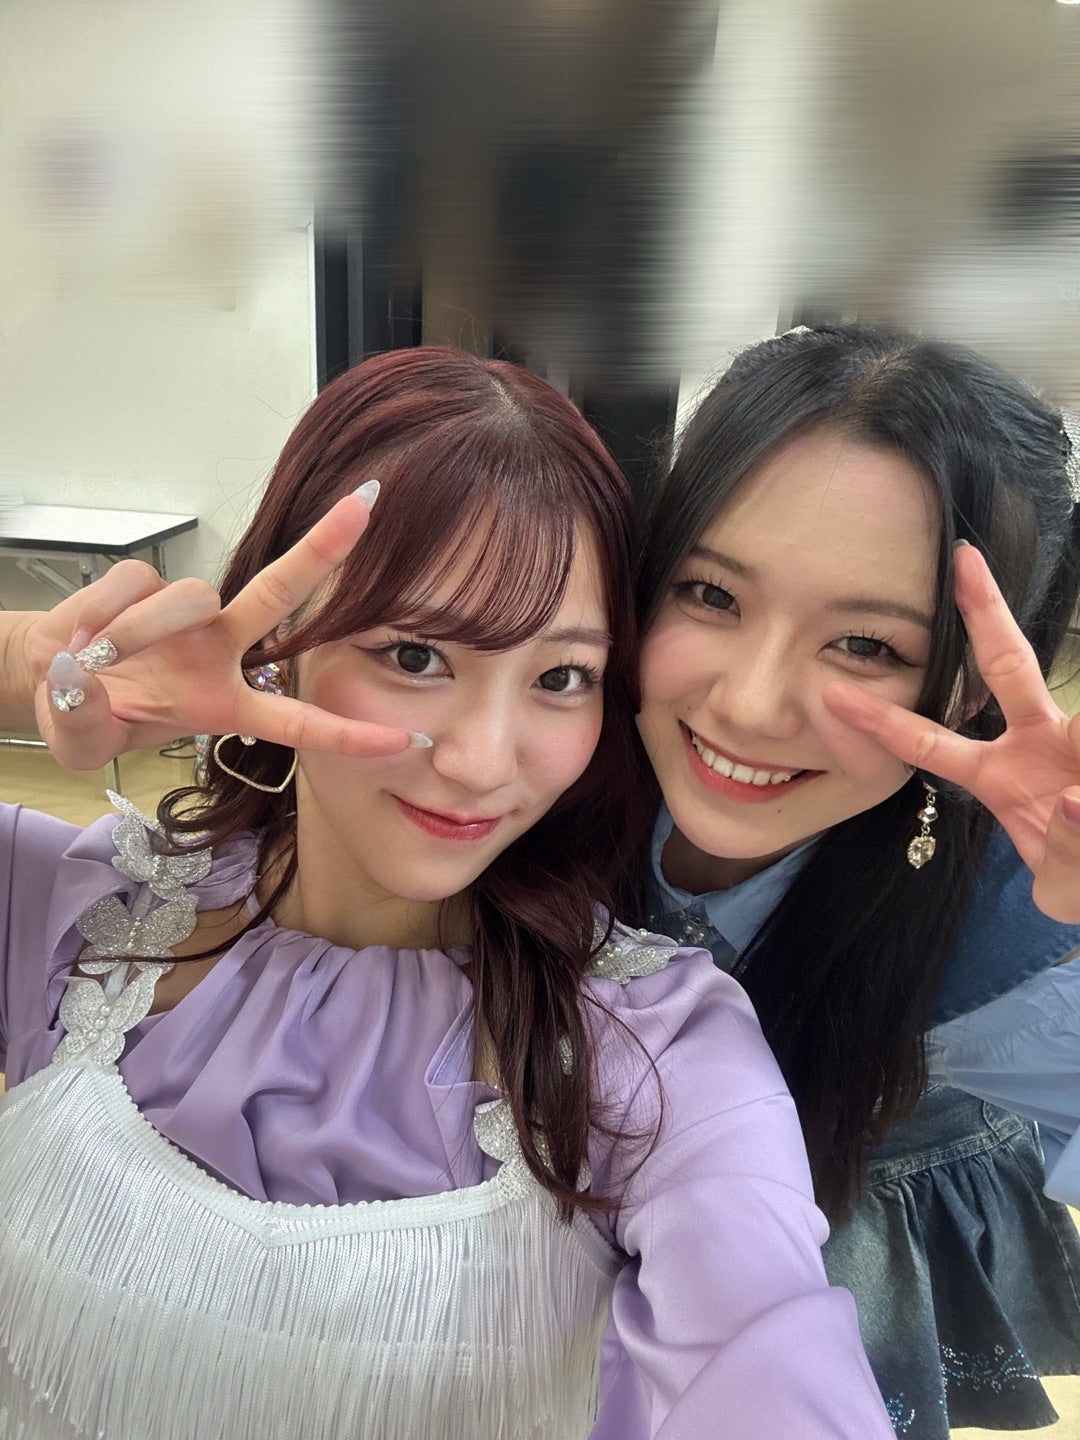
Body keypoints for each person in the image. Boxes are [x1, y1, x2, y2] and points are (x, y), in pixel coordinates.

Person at [0, 347, 894, 1438]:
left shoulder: (656, 1050)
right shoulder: (71, 911)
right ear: (277, 640)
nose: (479, 761)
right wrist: (32, 659)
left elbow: (766, 1348)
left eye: (560, 677)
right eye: (416, 655)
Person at [632, 322, 1080, 1438]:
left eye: (867, 646)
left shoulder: (1008, 938)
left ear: (969, 691)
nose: (748, 705)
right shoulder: (530, 763)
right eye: (710, 594)